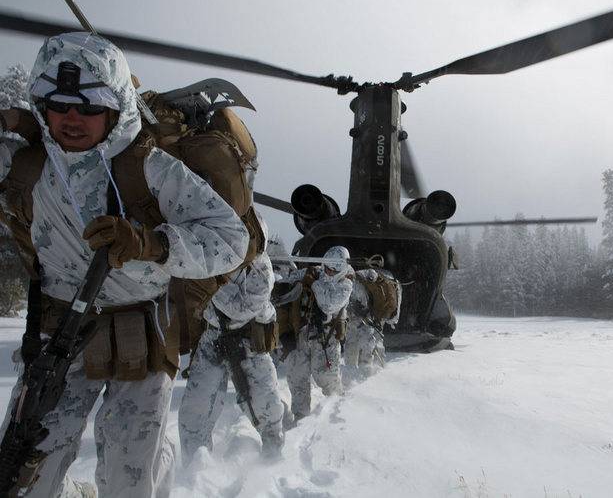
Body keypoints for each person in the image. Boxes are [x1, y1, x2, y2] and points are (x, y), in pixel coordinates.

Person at [0, 32, 249, 497]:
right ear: (40, 103)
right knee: (23, 473)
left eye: (90, 107)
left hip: (142, 334)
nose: (72, 119)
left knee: (127, 481)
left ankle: (159, 464)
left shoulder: (150, 168)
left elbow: (231, 241)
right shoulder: (26, 164)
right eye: (57, 104)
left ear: (115, 108)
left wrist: (150, 244)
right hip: (57, 336)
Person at [178, 241, 285, 464]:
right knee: (195, 411)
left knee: (265, 406)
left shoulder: (260, 267)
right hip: (213, 338)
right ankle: (195, 471)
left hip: (248, 341)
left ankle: (273, 462)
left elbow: (240, 309)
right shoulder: (205, 253)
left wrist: (208, 282)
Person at [279, 246, 353, 420]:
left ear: (340, 270)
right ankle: (300, 417)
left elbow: (327, 304)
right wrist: (285, 283)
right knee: (297, 377)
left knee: (326, 378)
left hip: (325, 339)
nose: (327, 271)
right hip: (301, 334)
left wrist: (313, 283)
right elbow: (289, 280)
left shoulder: (346, 284)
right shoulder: (316, 272)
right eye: (326, 267)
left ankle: (338, 415)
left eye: (332, 269)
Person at [344, 268, 401, 374]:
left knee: (362, 345)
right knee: (371, 343)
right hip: (372, 318)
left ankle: (366, 374)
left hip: (367, 319)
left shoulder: (357, 280)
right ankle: (373, 371)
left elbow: (359, 303)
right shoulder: (367, 277)